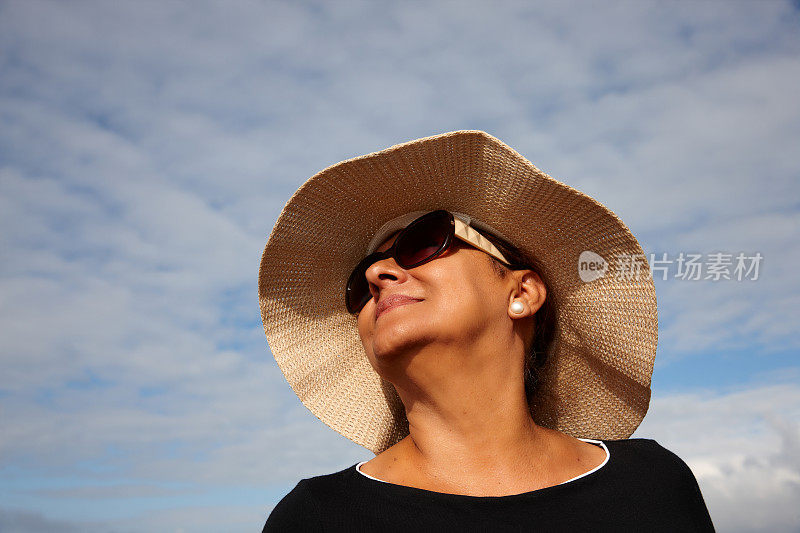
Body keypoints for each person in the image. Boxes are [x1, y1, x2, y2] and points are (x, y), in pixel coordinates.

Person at [257, 130, 715, 531]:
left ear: (523, 293)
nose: (378, 273)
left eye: (423, 242)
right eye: (360, 282)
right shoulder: (315, 518)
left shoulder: (652, 483)